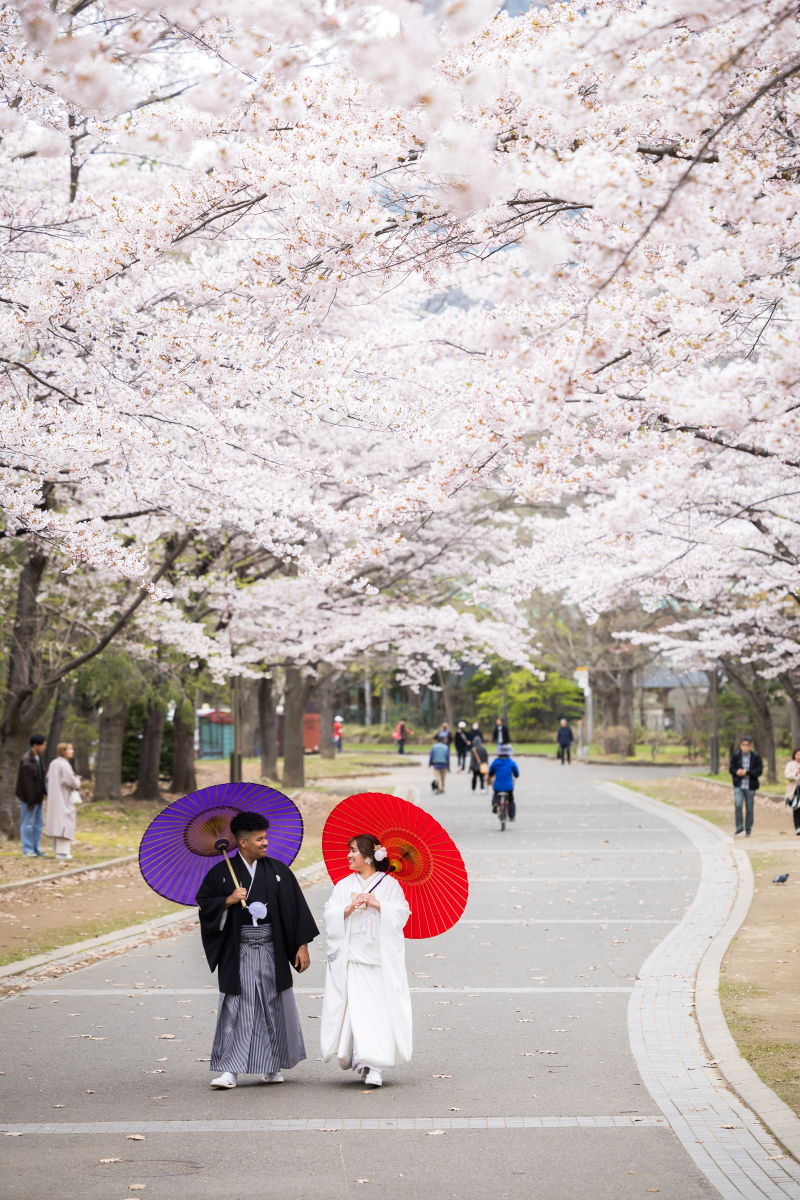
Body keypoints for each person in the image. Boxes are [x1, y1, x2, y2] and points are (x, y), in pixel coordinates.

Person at [195, 810, 319, 1090]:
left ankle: (272, 1065)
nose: (265, 843)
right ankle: (230, 1070)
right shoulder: (220, 874)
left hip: (271, 950)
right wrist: (228, 899)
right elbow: (205, 904)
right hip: (238, 952)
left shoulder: (278, 871)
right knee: (237, 1007)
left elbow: (296, 910)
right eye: (260, 839)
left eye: (266, 838)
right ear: (242, 843)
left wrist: (302, 947)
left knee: (273, 1005)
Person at [320, 834, 412, 1088]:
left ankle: (376, 1066)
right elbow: (330, 914)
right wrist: (348, 909)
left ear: (370, 855)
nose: (349, 855)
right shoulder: (343, 885)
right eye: (349, 850)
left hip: (379, 960)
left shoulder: (389, 885)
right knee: (357, 1011)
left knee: (378, 1012)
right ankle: (364, 1060)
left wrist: (378, 903)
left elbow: (402, 914)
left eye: (353, 851)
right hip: (353, 959)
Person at [45, 742, 81, 860]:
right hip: (63, 797)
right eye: (70, 749)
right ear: (64, 751)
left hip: (54, 797)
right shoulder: (64, 765)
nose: (72, 751)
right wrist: (77, 780)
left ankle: (57, 850)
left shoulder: (53, 763)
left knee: (57, 822)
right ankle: (63, 852)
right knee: (65, 821)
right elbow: (71, 782)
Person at [15, 733, 47, 857]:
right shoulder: (26, 760)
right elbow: (26, 784)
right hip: (28, 798)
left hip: (38, 797)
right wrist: (30, 801)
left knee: (38, 823)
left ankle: (36, 848)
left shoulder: (38, 758)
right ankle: (27, 849)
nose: (44, 747)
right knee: (28, 823)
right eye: (43, 745)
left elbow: (41, 778)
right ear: (35, 745)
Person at [729, 737, 763, 838]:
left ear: (750, 746)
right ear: (740, 746)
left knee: (749, 808)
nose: (745, 747)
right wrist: (736, 772)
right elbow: (731, 768)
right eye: (743, 745)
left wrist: (747, 772)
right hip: (739, 785)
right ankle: (739, 827)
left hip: (750, 786)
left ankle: (748, 828)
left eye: (747, 745)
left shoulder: (755, 756)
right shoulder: (736, 756)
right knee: (738, 805)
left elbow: (759, 770)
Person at [489, 743, 520, 820]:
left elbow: (490, 773)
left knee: (495, 793)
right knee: (511, 800)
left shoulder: (495, 762)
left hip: (498, 785)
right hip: (508, 786)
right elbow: (517, 774)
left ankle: (495, 803)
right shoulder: (511, 762)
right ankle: (512, 816)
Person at [785, 749, 800, 835]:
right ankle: (797, 827)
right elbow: (786, 775)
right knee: (796, 808)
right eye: (798, 754)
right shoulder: (790, 764)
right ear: (794, 755)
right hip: (795, 789)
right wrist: (796, 773)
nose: (799, 756)